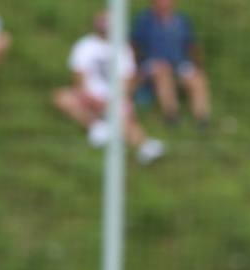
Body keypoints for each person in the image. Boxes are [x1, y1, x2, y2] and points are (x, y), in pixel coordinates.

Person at [54, 11, 166, 165]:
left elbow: (128, 80)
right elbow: (78, 77)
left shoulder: (123, 48)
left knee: (124, 119)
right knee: (62, 97)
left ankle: (144, 145)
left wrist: (117, 98)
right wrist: (88, 96)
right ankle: (96, 127)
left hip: (114, 98)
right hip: (88, 96)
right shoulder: (85, 45)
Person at [130, 0, 211, 129]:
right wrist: (135, 67)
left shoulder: (182, 21)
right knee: (163, 72)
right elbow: (133, 45)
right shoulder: (145, 21)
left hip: (179, 63)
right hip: (153, 64)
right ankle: (172, 115)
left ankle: (202, 118)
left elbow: (191, 45)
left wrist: (197, 65)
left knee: (197, 78)